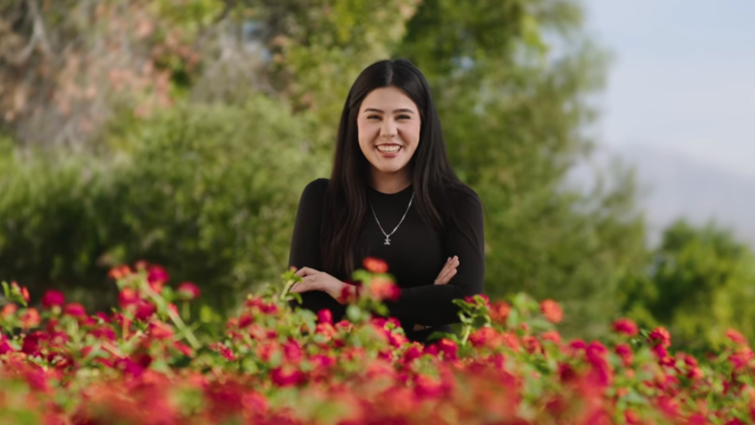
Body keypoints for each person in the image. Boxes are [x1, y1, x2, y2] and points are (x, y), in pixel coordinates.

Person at [287, 59, 485, 343]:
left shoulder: (457, 203)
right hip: (339, 376)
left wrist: (349, 294)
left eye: (403, 117)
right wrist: (421, 318)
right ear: (354, 122)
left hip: (432, 376)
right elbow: (303, 307)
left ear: (423, 123)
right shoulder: (321, 199)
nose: (388, 131)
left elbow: (464, 301)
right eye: (374, 117)